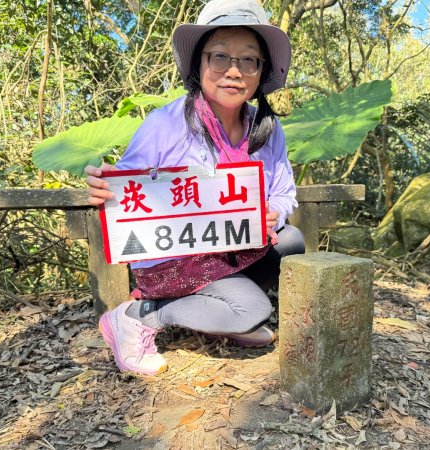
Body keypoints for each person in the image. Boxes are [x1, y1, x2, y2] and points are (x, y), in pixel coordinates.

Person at [84, 0, 305, 375]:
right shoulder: (165, 124)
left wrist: (276, 210)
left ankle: (223, 318)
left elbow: (285, 193)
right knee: (253, 308)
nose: (234, 72)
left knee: (292, 240)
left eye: (249, 60)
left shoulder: (268, 130)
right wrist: (106, 188)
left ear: (261, 71)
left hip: (231, 249)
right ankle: (137, 316)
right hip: (177, 259)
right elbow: (127, 186)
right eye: (220, 57)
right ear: (199, 64)